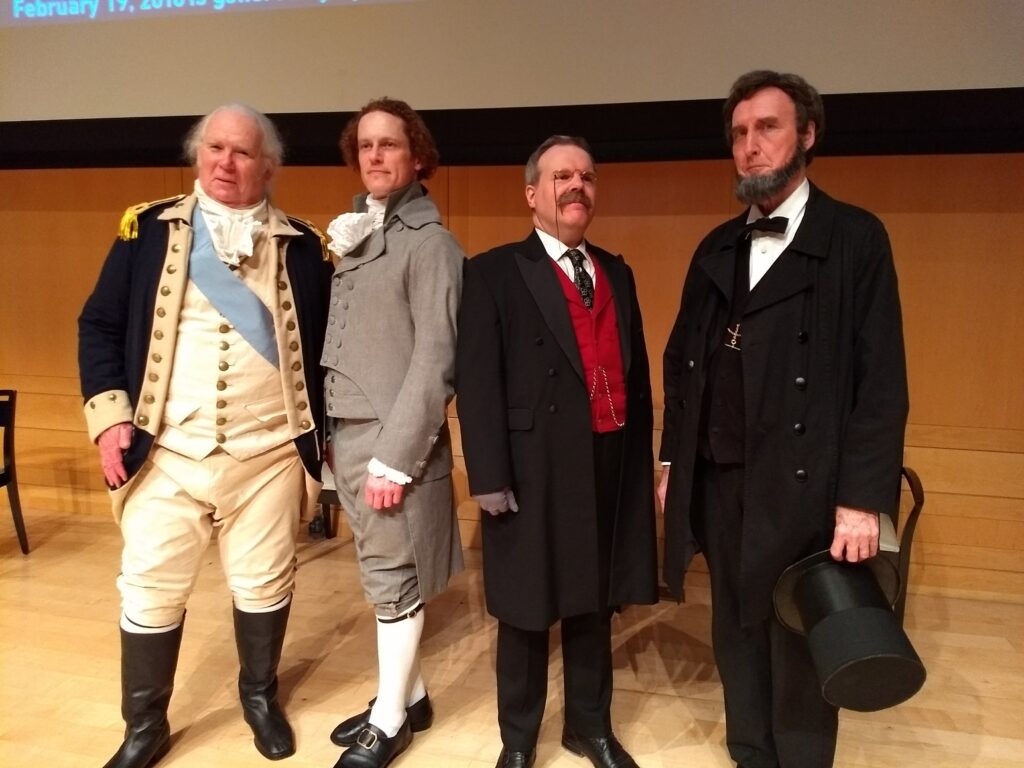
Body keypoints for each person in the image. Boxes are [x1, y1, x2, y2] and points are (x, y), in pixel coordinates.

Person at [657, 70, 909, 768]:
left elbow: (882, 382)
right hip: (723, 483)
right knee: (736, 634)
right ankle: (749, 754)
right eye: (739, 134)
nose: (750, 146)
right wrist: (675, 462)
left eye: (766, 128)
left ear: (806, 134)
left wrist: (862, 501)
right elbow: (683, 366)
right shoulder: (715, 247)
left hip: (810, 489)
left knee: (800, 642)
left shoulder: (855, 238)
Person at [78, 104, 332, 767]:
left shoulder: (306, 248)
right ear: (197, 158)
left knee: (264, 582)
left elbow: (331, 350)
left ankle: (258, 696)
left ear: (268, 166)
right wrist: (110, 421)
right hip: (166, 451)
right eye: (214, 148)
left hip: (270, 452)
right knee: (150, 586)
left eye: (242, 152)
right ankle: (145, 726)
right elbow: (98, 325)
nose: (226, 162)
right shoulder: (145, 232)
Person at [456, 136, 658, 768]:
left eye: (587, 177)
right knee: (524, 611)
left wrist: (644, 463)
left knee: (594, 603)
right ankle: (518, 740)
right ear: (532, 194)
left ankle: (588, 727)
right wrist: (487, 474)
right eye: (562, 176)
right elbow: (477, 380)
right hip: (529, 467)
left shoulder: (617, 273)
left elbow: (638, 375)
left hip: (605, 460)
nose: (578, 186)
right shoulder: (492, 271)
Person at [320, 97, 465, 768]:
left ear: (418, 157)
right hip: (349, 438)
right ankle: (413, 695)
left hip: (389, 446)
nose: (376, 156)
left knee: (392, 582)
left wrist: (394, 460)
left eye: (390, 145)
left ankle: (390, 718)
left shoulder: (430, 244)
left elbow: (436, 358)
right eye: (366, 145)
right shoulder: (359, 233)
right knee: (378, 577)